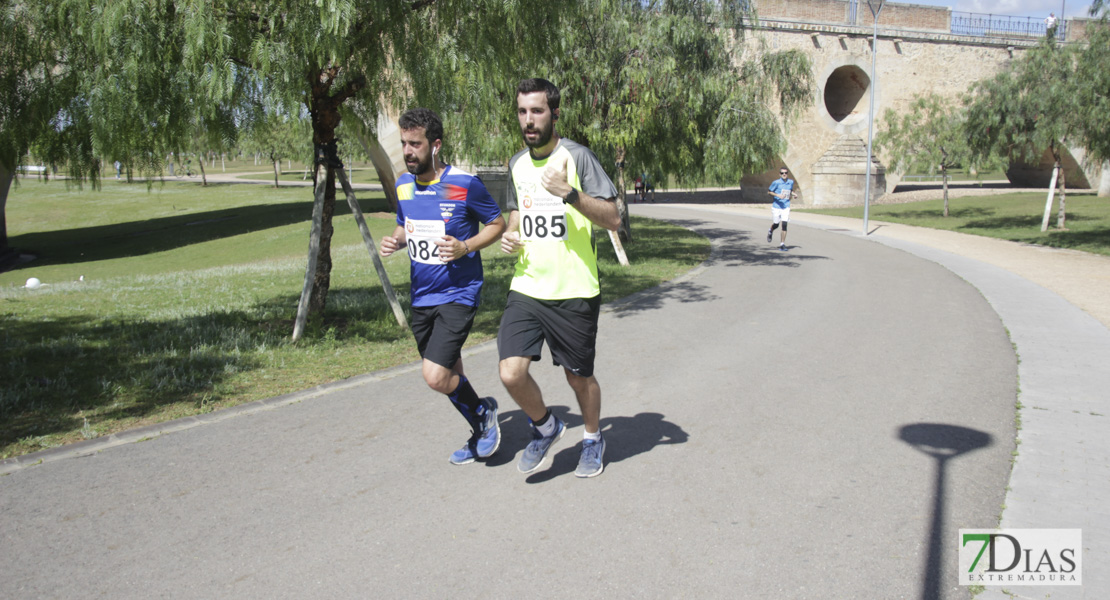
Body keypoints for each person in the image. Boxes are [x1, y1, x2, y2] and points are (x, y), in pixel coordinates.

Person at [498, 78, 621, 478]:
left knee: (578, 377)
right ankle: (547, 427)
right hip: (528, 284)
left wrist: (570, 194)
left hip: (574, 288)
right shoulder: (517, 163)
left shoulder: (578, 158)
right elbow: (517, 211)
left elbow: (614, 217)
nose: (529, 120)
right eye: (522, 112)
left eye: (537, 111)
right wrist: (512, 233)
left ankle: (591, 437)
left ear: (554, 113)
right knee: (510, 371)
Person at [379, 108, 507, 465]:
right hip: (421, 295)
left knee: (435, 376)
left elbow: (496, 224)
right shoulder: (404, 185)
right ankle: (479, 429)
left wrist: (466, 246)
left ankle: (483, 413)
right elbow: (406, 224)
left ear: (435, 146)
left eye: (415, 144)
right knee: (452, 373)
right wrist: (395, 241)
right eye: (404, 143)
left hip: (458, 293)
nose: (407, 151)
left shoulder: (465, 184)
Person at [767, 167, 795, 251]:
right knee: (776, 224)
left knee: (784, 225)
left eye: (786, 173)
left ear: (787, 173)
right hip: (776, 206)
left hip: (786, 206)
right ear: (780, 174)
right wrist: (778, 195)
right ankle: (770, 230)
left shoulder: (790, 182)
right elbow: (769, 192)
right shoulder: (776, 183)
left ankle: (782, 244)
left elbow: (790, 191)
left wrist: (794, 194)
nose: (784, 174)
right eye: (782, 173)